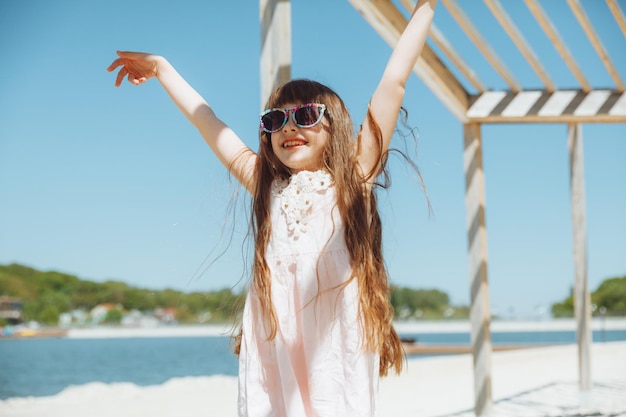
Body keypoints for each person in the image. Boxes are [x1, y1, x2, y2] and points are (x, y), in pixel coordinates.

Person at [108, 1, 436, 416]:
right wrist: (162, 68)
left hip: (336, 340)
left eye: (305, 114)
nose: (289, 127)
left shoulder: (354, 178)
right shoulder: (266, 186)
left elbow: (393, 83)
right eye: (274, 120)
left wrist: (426, 9)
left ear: (334, 124)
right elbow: (209, 122)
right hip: (273, 337)